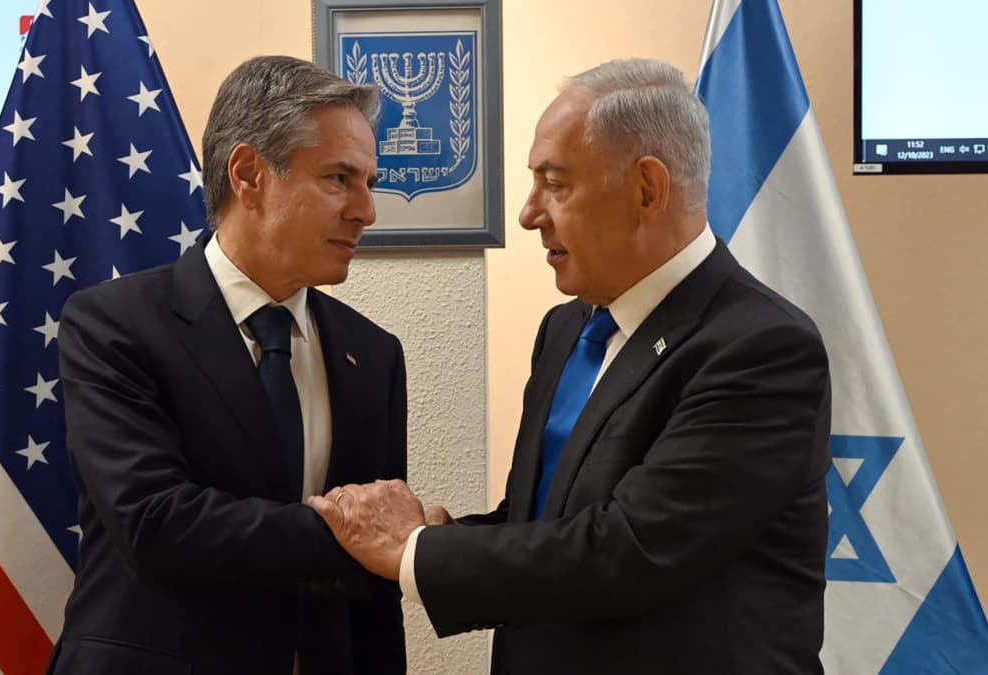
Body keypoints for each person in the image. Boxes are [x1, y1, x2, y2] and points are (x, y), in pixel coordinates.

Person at [310, 58, 832, 674]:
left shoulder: (760, 348)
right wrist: (447, 533)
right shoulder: (568, 329)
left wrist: (415, 550)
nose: (530, 214)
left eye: (556, 185)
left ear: (647, 189)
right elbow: (543, 522)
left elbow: (629, 550)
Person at [47, 55, 406, 675]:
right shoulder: (114, 325)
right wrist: (369, 536)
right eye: (340, 179)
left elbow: (374, 597)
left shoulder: (372, 354)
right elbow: (155, 523)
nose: (366, 210)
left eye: (369, 183)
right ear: (249, 175)